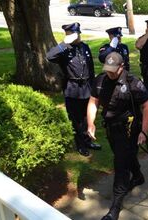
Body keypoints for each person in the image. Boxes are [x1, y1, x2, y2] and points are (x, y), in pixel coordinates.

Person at [87, 52, 148, 220]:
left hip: (129, 129)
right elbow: (93, 101)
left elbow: (147, 105)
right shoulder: (101, 80)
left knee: (120, 164)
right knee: (124, 155)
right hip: (111, 128)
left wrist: (144, 131)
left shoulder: (133, 83)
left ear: (121, 67)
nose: (109, 73)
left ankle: (114, 207)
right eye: (107, 69)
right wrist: (91, 123)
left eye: (113, 70)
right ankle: (137, 176)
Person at [46, 22, 101, 157]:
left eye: (78, 34)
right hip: (73, 89)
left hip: (87, 88)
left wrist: (94, 86)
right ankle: (81, 145)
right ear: (68, 35)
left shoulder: (84, 47)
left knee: (87, 117)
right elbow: (49, 56)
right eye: (74, 34)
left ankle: (88, 141)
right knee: (76, 120)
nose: (78, 37)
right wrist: (64, 44)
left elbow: (91, 68)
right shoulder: (64, 50)